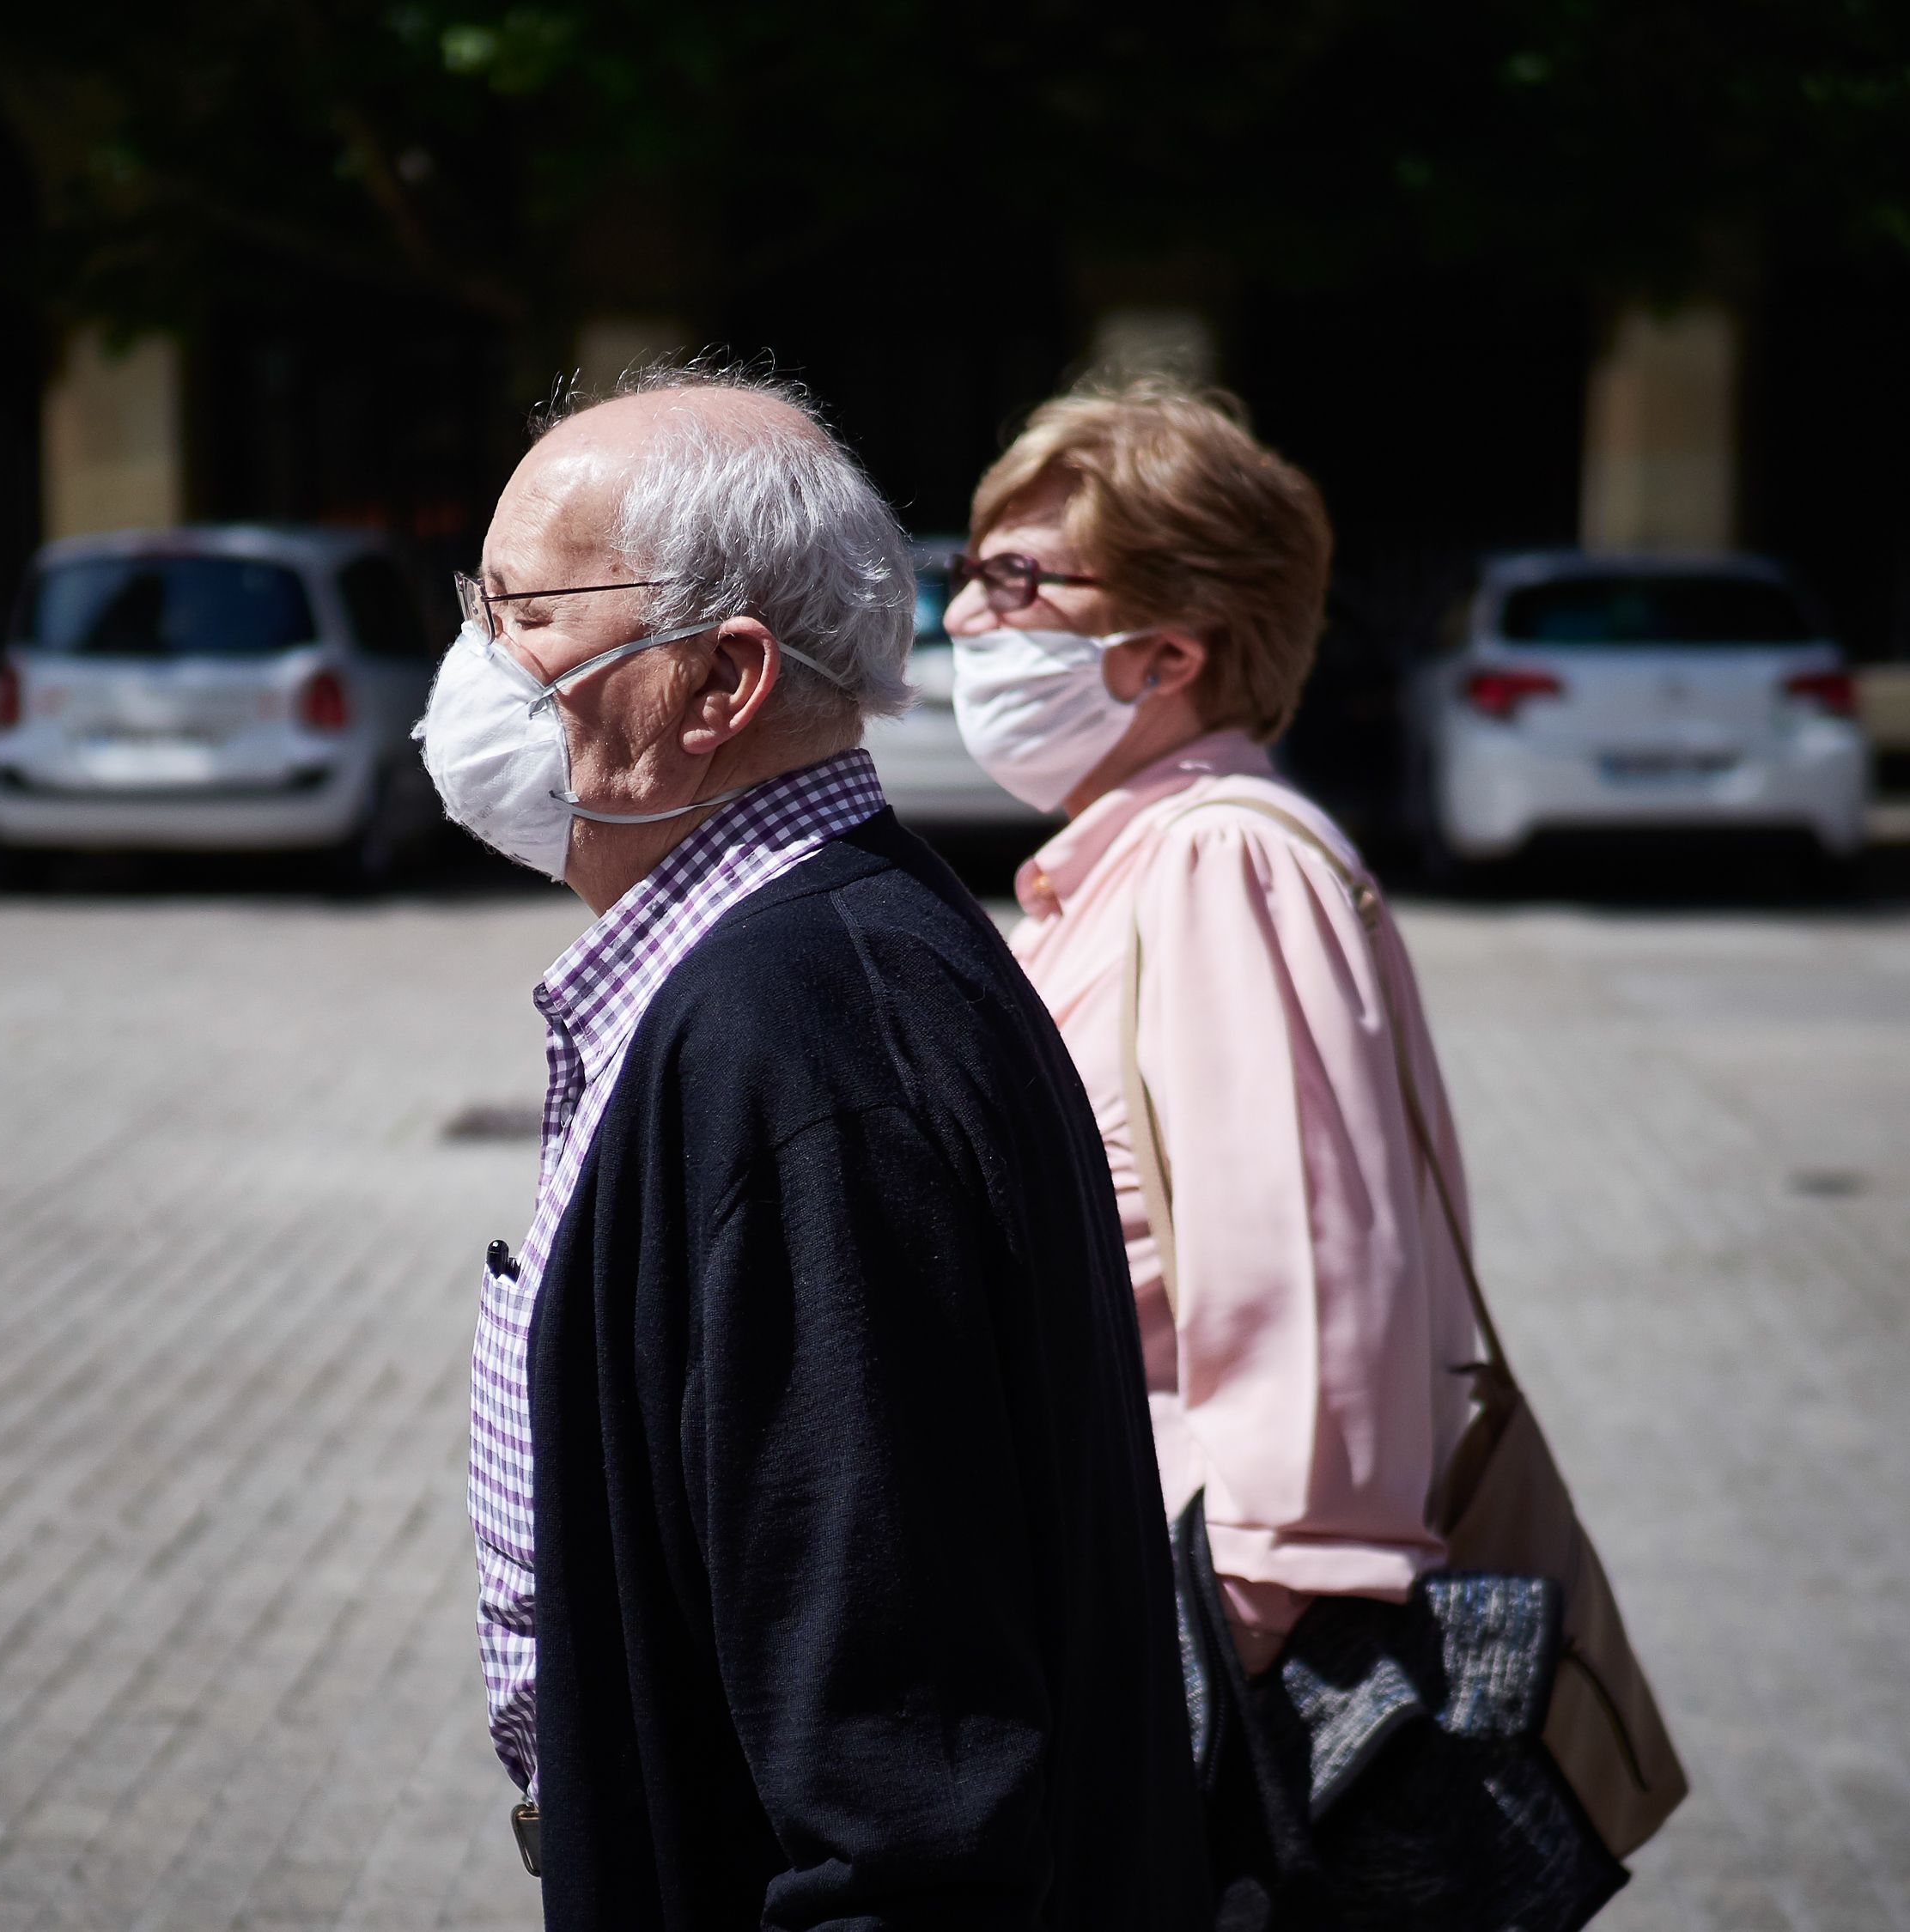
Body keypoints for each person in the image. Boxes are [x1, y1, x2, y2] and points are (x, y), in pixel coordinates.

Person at [420, 366, 1205, 1929]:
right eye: (476, 605)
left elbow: (905, 1789)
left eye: (526, 613)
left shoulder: (803, 1039)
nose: (478, 661)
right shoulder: (811, 961)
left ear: (719, 681)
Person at [944, 378, 1479, 1680]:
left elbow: (1310, 1294)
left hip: (1184, 1644)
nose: (960, 614)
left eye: (1017, 580)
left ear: (1167, 656)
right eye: (971, 572)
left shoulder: (1222, 862)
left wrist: (1238, 1649)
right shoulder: (1117, 868)